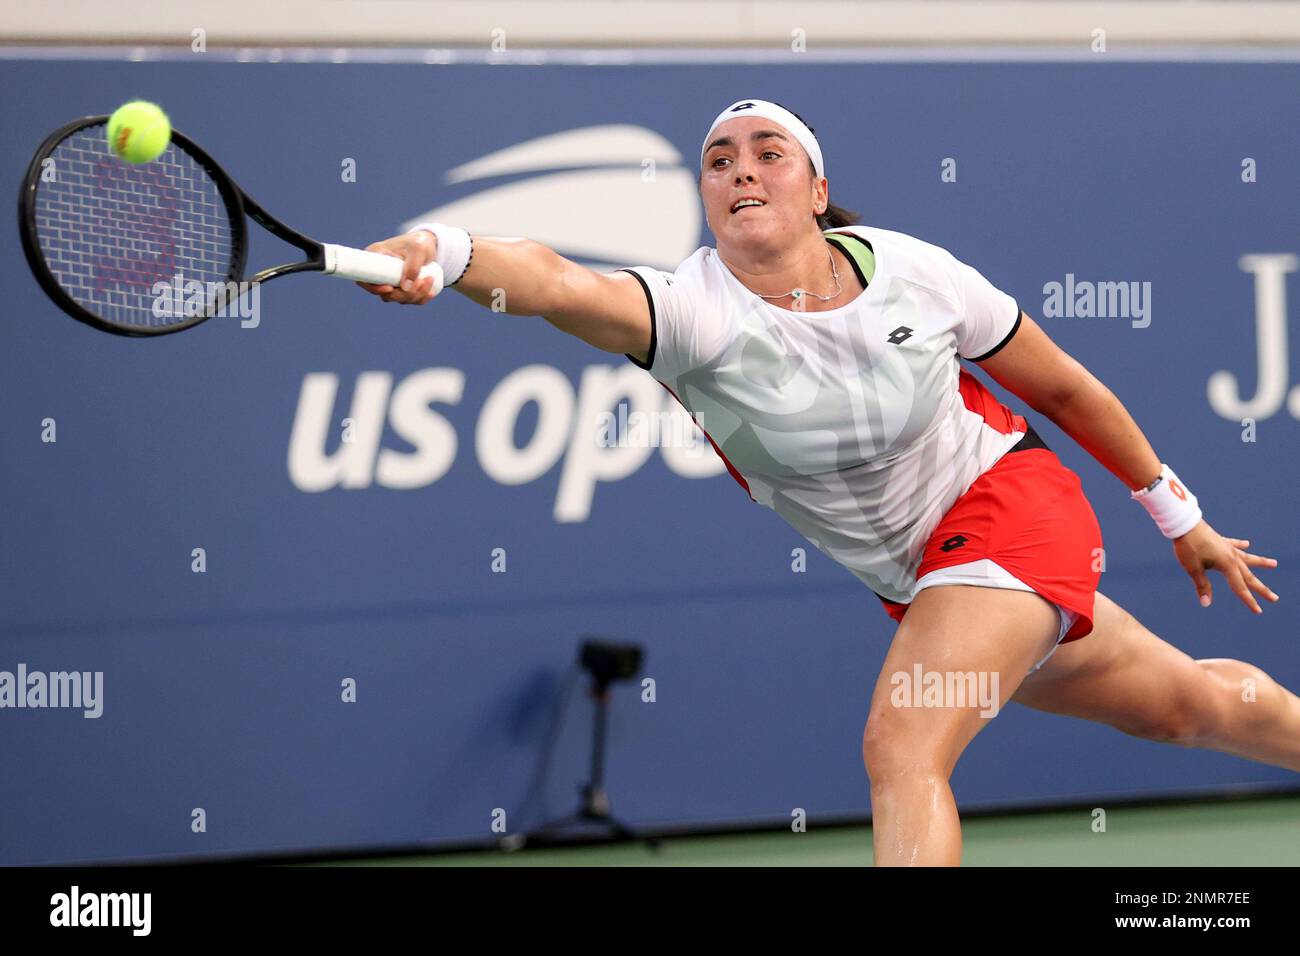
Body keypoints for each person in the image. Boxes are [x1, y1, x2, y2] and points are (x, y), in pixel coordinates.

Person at [356, 98, 1290, 866]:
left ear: (817, 190)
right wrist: (446, 251)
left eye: (770, 154)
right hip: (925, 579)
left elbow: (1065, 388)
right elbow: (554, 280)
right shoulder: (687, 316)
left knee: (902, 743)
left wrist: (1180, 516)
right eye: (720, 161)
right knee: (1187, 708)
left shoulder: (919, 275)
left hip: (1011, 506)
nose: (743, 171)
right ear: (706, 196)